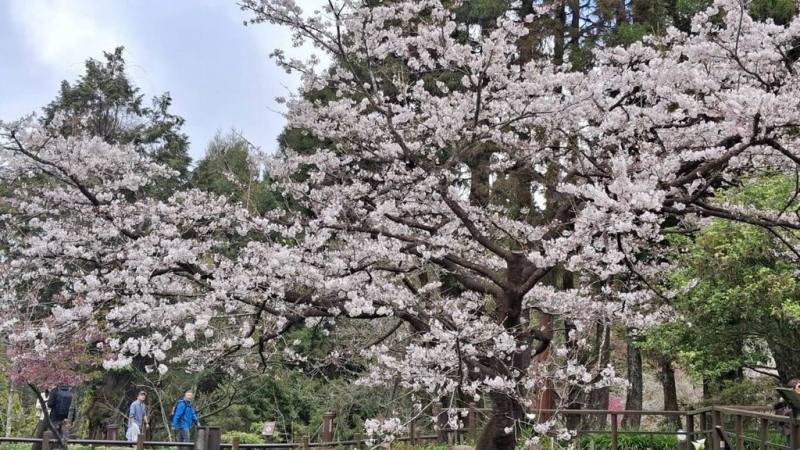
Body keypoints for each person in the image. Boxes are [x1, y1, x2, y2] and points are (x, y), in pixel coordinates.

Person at [33, 385, 77, 450]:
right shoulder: (71, 392)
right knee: (63, 438)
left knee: (51, 436)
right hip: (66, 419)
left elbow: (50, 404)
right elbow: (73, 408)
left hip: (55, 418)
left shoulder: (55, 390)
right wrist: (72, 419)